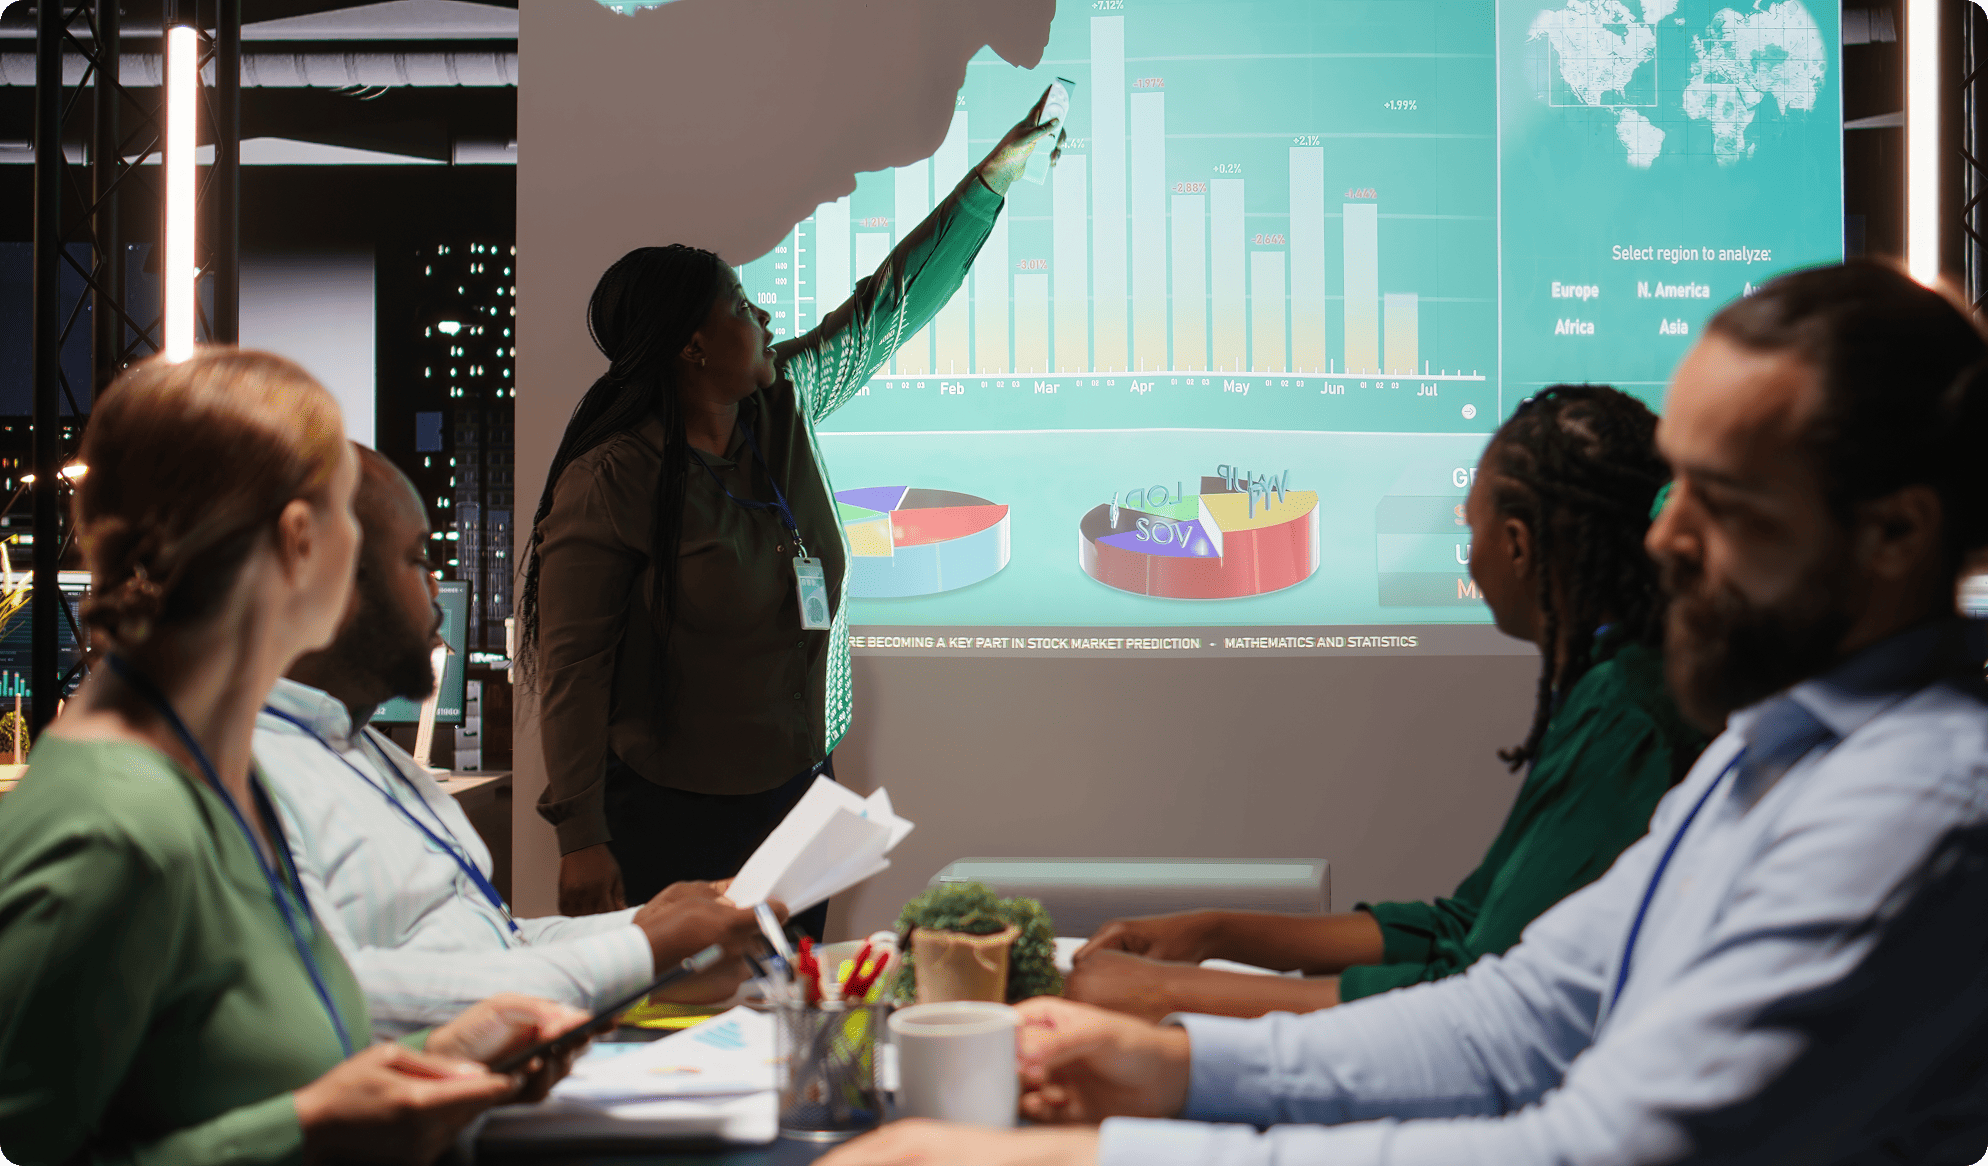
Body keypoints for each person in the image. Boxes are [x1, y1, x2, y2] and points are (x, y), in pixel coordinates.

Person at [816, 262, 1988, 1165]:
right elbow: (1518, 1014)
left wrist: (1097, 1148)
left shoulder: (1910, 809)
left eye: (1721, 501)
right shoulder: (1771, 751)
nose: (1664, 535)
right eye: (1672, 482)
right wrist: (1169, 1066)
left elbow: (1592, 1147)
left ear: (1895, 531)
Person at [0, 351, 591, 1166]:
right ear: (300, 540)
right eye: (352, 513)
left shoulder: (223, 777)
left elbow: (220, 1073)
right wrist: (309, 1132)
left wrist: (439, 1055)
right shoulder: (111, 826)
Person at [525, 92, 1066, 933]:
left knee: (791, 993)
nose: (765, 317)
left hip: (800, 793)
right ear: (693, 347)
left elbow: (886, 311)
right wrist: (580, 834)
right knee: (691, 1005)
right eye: (742, 307)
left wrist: (990, 182)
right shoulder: (612, 480)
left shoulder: (783, 405)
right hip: (673, 811)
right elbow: (573, 669)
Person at [1066, 385, 1706, 1020]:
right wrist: (1213, 933)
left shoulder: (1627, 715)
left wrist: (1168, 993)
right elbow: (1465, 925)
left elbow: (1476, 1000)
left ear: (1517, 545)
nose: (1470, 555)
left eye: (1471, 528)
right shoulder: (1616, 682)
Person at [255, 444, 774, 1038]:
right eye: (416, 559)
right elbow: (338, 996)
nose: (435, 590)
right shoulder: (249, 772)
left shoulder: (365, 752)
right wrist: (640, 952)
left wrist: (653, 927)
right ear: (322, 572)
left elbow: (500, 944)